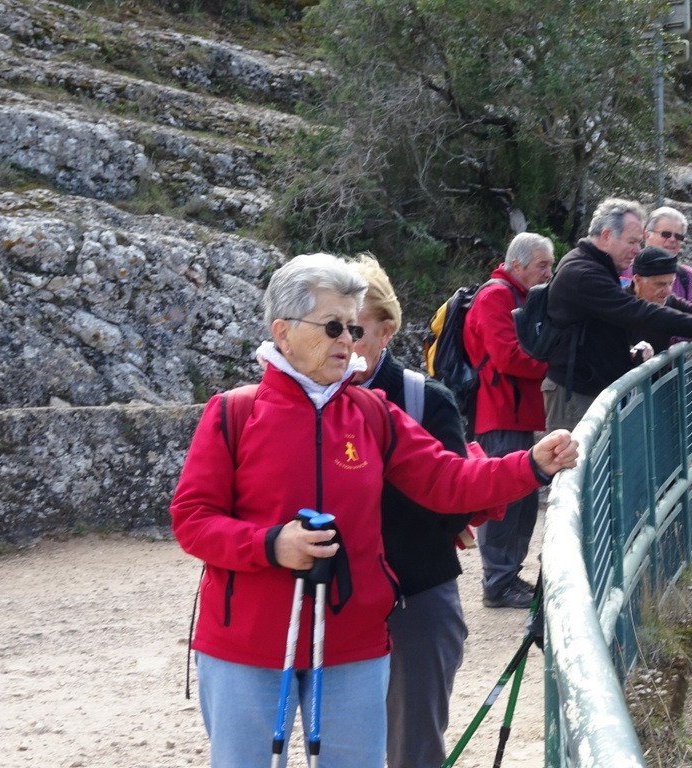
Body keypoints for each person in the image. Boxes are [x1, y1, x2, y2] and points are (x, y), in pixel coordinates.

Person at [170, 252, 579, 768]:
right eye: (334, 326)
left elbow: (446, 478)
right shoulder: (233, 413)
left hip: (354, 640)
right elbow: (192, 518)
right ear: (283, 332)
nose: (347, 340)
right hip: (246, 645)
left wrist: (531, 465)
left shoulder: (372, 414)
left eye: (354, 327)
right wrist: (272, 545)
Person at [346, 254, 471, 768]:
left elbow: (455, 502)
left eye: (352, 328)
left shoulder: (426, 401)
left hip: (415, 600)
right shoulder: (301, 403)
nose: (339, 340)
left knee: (412, 748)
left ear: (385, 331)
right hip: (335, 603)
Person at [543, 198, 692, 432]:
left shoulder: (598, 266)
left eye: (639, 242)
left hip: (589, 388)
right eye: (632, 241)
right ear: (606, 236)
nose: (637, 250)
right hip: (575, 394)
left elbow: (603, 327)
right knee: (577, 465)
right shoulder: (583, 272)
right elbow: (636, 311)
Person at [463, 232, 555, 609]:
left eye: (550, 264)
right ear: (516, 265)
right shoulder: (496, 296)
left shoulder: (516, 295)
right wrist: (554, 367)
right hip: (499, 413)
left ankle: (506, 576)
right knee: (503, 499)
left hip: (513, 412)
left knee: (521, 499)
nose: (549, 272)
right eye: (542, 265)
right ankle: (498, 581)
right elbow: (506, 357)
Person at [620, 205, 692, 309]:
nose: (673, 240)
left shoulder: (689, 278)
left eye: (678, 236)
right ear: (647, 235)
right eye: (666, 234)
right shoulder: (622, 268)